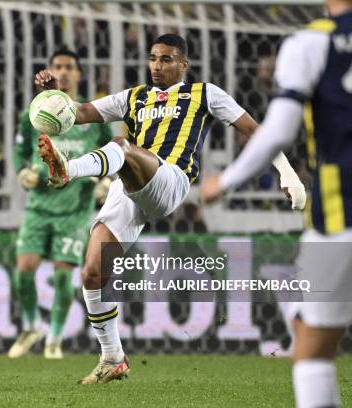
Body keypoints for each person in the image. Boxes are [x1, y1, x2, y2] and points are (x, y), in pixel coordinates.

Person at [35, 34, 306, 384]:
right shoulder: (134, 97)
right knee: (91, 273)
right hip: (128, 184)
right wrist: (55, 95)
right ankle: (112, 357)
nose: (157, 66)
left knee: (122, 145)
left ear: (183, 64)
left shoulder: (205, 94)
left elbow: (255, 131)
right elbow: (80, 113)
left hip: (170, 179)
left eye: (166, 59)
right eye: (153, 58)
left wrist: (288, 173)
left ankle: (67, 170)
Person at [201, 1, 352, 406]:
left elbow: (279, 129)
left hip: (342, 218)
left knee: (312, 346)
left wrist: (226, 180)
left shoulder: (311, 42)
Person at [8, 49, 112, 359]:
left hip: (75, 207)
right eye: (57, 66)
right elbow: (19, 150)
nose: (63, 72)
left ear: (79, 73)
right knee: (23, 271)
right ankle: (30, 327)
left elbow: (113, 152)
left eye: (69, 67)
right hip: (39, 203)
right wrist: (23, 171)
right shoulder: (36, 112)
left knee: (64, 274)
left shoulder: (93, 116)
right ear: (50, 70)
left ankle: (54, 339)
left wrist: (106, 181)